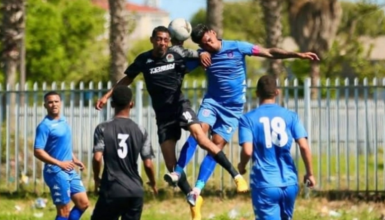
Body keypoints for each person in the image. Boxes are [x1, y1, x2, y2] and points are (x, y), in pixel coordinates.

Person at [164, 23, 319, 220]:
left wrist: (297, 55)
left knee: (216, 145)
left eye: (209, 41)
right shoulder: (203, 55)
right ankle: (178, 171)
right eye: (205, 45)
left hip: (232, 110)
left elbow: (269, 52)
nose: (209, 46)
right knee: (199, 132)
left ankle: (197, 189)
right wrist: (177, 52)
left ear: (214, 32)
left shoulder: (237, 47)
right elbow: (178, 67)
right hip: (212, 103)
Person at [94, 25, 248, 209]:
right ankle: (193, 197)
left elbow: (201, 54)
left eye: (166, 39)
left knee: (200, 137)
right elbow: (127, 79)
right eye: (159, 39)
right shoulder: (144, 59)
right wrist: (107, 95)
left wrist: (201, 55)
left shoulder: (177, 54)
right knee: (170, 165)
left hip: (180, 106)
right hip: (163, 116)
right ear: (152, 40)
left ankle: (236, 176)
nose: (162, 43)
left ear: (169, 41)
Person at [237, 74, 316, 220]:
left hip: (265, 183)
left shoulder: (247, 119)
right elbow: (304, 147)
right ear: (277, 92)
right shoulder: (291, 116)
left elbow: (247, 151)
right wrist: (310, 173)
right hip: (290, 183)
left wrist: (241, 166)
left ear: (257, 93)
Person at [91, 85, 157, 220]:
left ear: (112, 103)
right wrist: (153, 182)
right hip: (135, 190)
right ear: (131, 104)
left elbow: (97, 158)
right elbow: (148, 164)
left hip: (112, 189)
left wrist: (97, 179)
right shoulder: (141, 130)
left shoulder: (103, 128)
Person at [33, 91, 89, 220]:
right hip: (56, 172)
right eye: (50, 102)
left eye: (56, 101)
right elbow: (38, 151)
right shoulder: (44, 126)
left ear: (61, 103)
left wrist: (74, 159)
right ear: (45, 105)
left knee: (83, 203)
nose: (53, 104)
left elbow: (63, 145)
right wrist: (59, 163)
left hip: (69, 169)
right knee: (64, 212)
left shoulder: (63, 120)